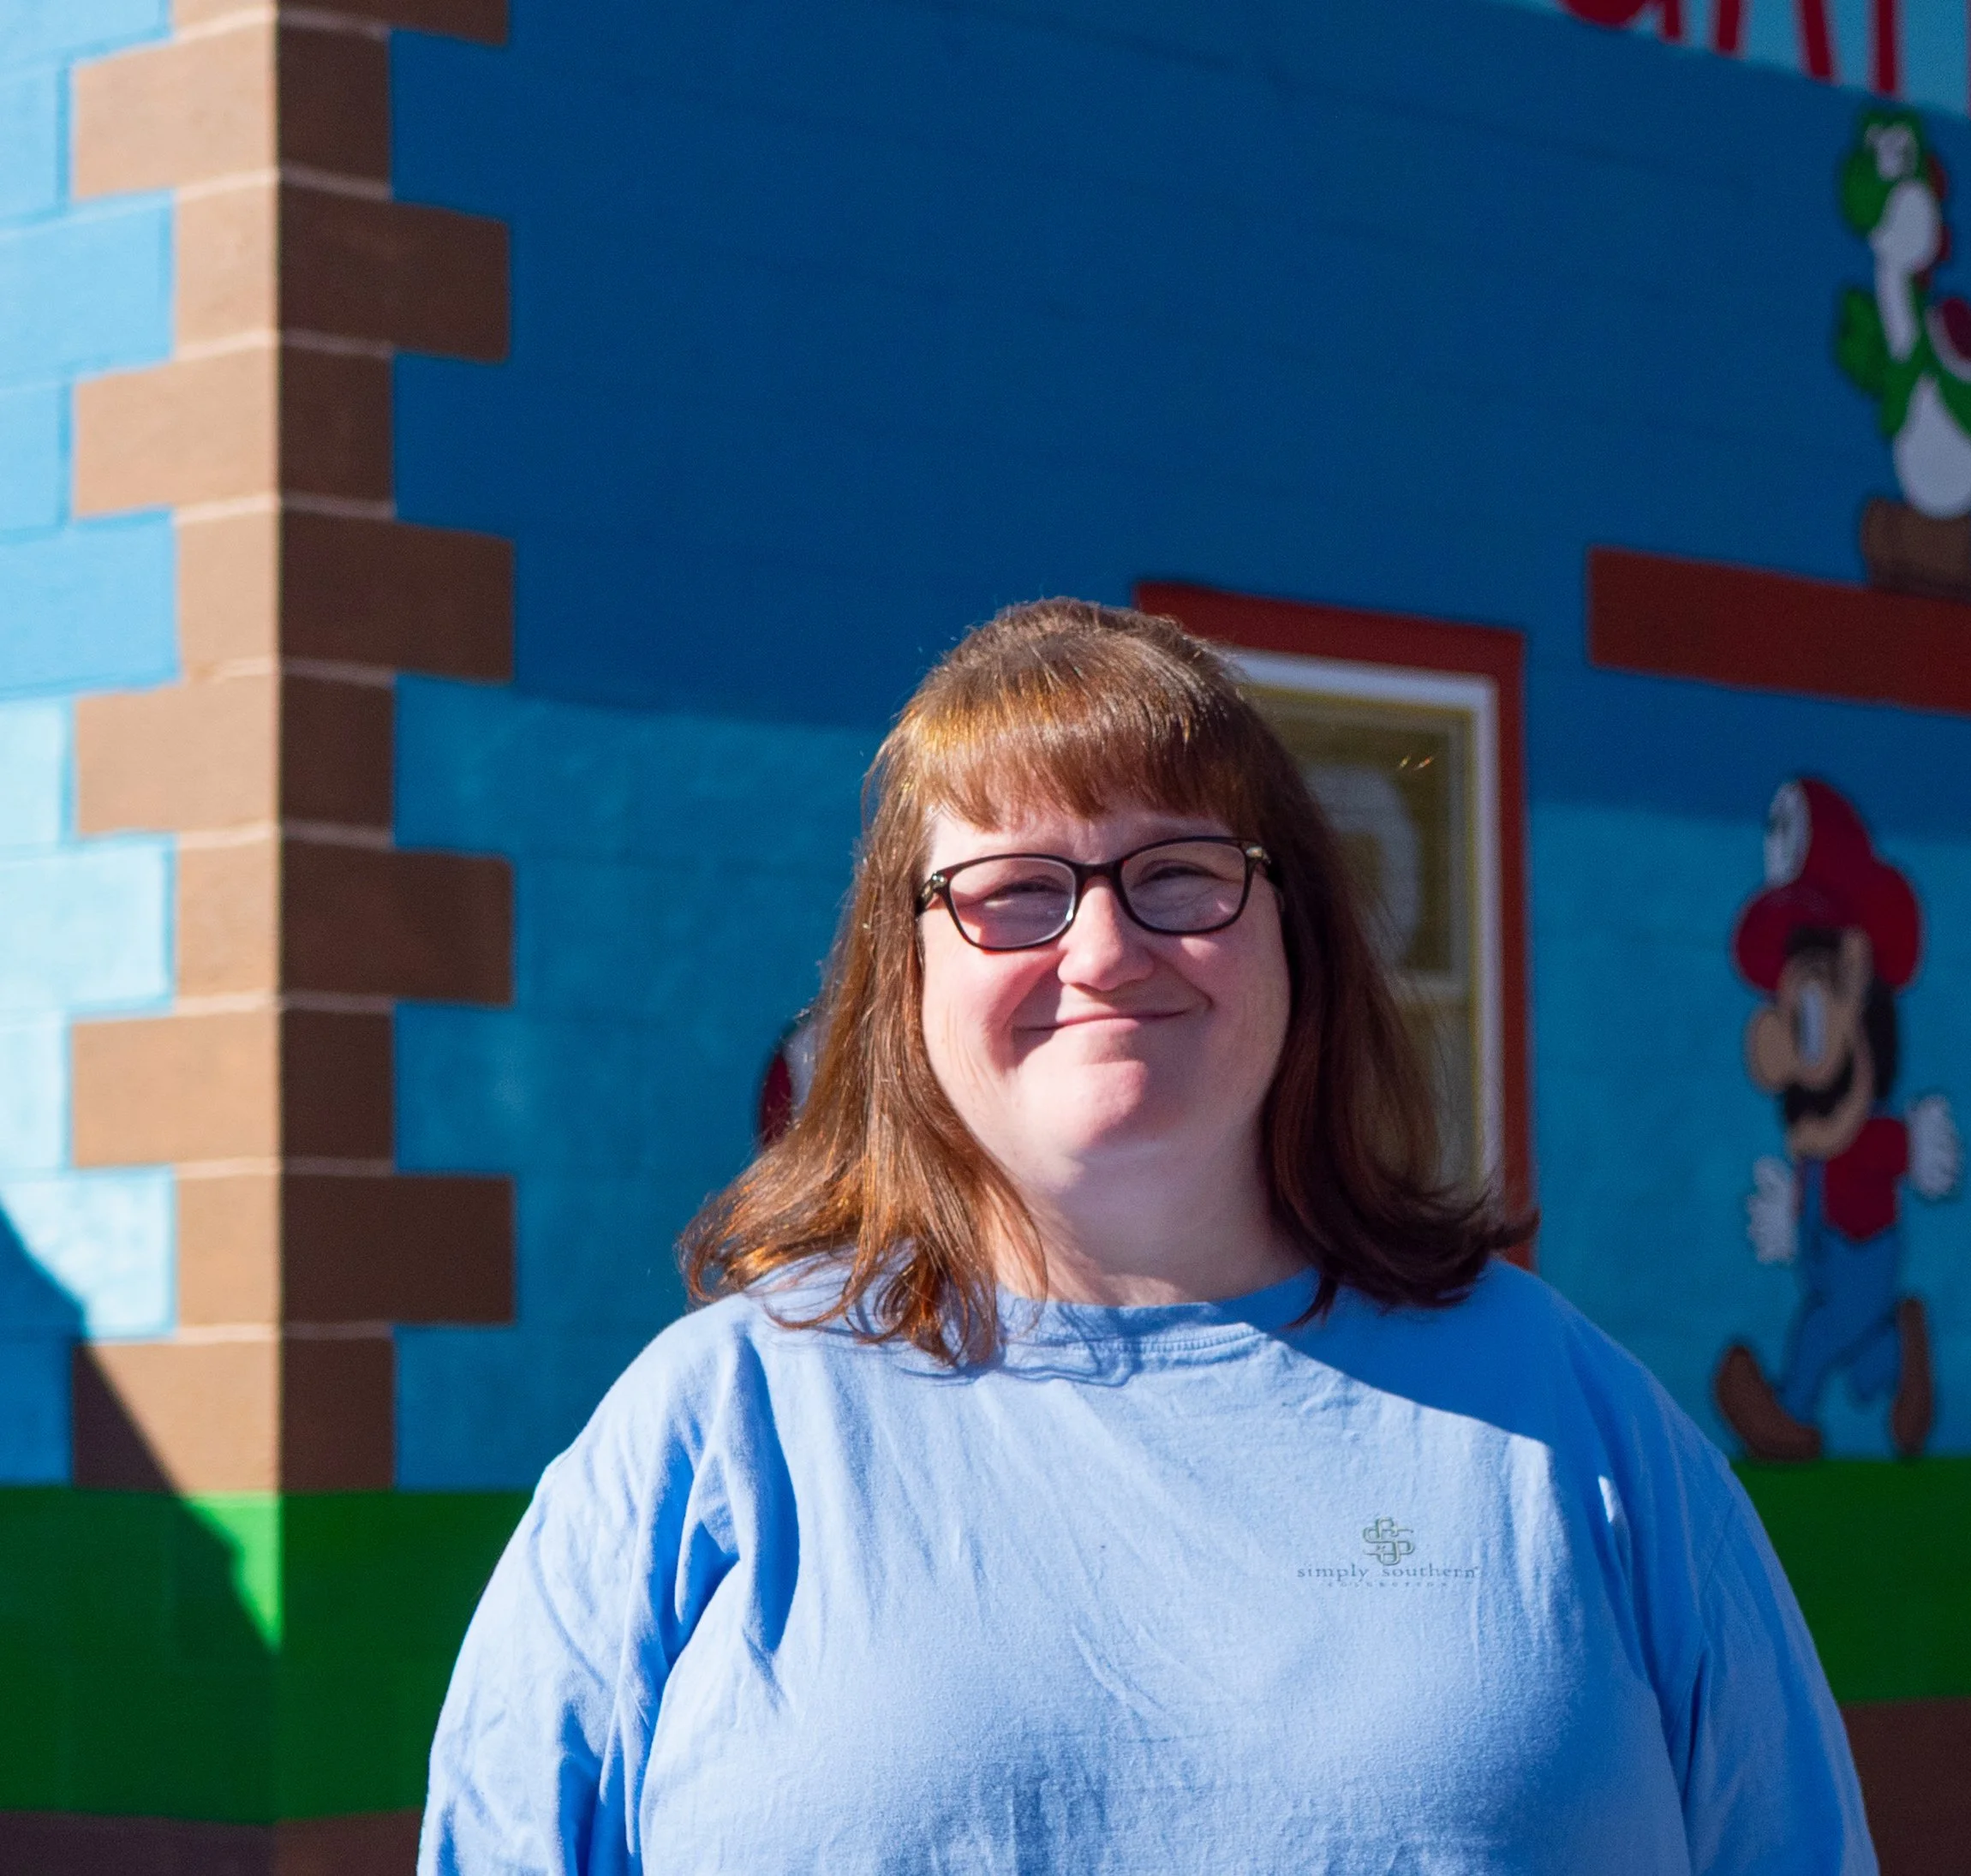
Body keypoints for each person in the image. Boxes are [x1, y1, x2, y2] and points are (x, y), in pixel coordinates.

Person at [421, 600, 1875, 1874]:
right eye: (1012, 893)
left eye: (1180, 873)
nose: (1105, 950)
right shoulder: (708, 1440)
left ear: (1292, 937)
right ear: (898, 978)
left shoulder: (1585, 1430)